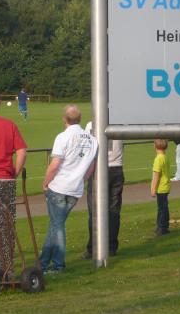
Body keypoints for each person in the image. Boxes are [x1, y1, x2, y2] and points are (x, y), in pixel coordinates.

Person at [40, 105, 98, 273]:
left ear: (64, 119)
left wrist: (46, 182)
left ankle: (57, 264)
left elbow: (55, 165)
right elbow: (91, 168)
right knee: (55, 225)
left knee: (57, 226)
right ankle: (43, 263)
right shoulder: (92, 140)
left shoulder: (63, 137)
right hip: (75, 190)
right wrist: (80, 180)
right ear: (79, 119)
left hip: (59, 187)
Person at [82, 121, 125, 259]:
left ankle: (93, 247)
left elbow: (87, 147)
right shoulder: (120, 124)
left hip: (99, 169)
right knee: (114, 210)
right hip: (116, 167)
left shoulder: (91, 125)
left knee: (94, 211)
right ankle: (111, 246)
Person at [151, 139, 171, 236]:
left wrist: (153, 189)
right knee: (163, 207)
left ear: (155, 146)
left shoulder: (158, 159)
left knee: (162, 208)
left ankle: (162, 227)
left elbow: (156, 175)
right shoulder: (165, 157)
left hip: (161, 187)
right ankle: (161, 226)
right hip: (166, 186)